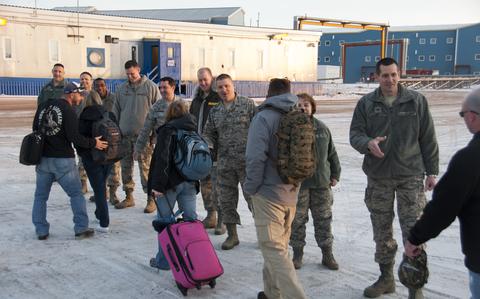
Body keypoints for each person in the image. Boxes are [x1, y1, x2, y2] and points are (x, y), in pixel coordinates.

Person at [349, 57, 439, 298]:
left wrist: (432, 172)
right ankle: (386, 278)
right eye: (384, 75)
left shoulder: (416, 101)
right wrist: (367, 144)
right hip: (379, 177)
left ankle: (415, 286)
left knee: (414, 231)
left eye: (393, 74)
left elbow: (428, 138)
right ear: (376, 77)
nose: (389, 80)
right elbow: (355, 134)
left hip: (410, 175)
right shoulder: (366, 103)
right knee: (382, 230)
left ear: (400, 75)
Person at [405, 88, 480, 299]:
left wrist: (415, 238)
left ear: (472, 116)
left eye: (463, 115)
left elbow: (443, 208)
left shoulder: (470, 159)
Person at [244, 78, 306, 299]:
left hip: (268, 195)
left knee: (275, 251)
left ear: (269, 93)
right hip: (291, 193)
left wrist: (251, 189)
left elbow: (254, 158)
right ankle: (272, 294)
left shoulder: (263, 118)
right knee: (277, 247)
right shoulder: (298, 115)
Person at [32, 82, 108, 240]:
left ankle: (41, 230)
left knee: (40, 197)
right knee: (76, 194)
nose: (81, 97)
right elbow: (75, 138)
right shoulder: (68, 110)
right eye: (79, 94)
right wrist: (94, 143)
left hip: (43, 159)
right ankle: (81, 228)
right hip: (63, 160)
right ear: (71, 94)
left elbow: (35, 130)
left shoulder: (43, 107)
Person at [203, 73, 256, 250]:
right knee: (226, 201)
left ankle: (264, 235)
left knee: (254, 200)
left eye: (227, 86)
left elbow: (260, 129)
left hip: (247, 163)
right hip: (224, 163)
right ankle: (232, 236)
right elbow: (208, 133)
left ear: (233, 86)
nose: (224, 90)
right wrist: (208, 147)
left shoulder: (248, 105)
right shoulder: (215, 111)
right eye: (220, 87)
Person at [289, 93, 341, 270]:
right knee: (297, 221)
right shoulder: (289, 130)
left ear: (312, 108)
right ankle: (297, 254)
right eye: (299, 105)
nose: (303, 108)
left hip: (321, 184)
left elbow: (332, 153)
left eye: (306, 105)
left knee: (324, 220)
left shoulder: (322, 129)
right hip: (299, 186)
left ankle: (327, 254)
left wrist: (335, 174)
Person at [147, 100, 199, 270]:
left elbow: (162, 159)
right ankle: (193, 257)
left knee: (165, 222)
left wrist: (157, 186)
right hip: (190, 182)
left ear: (169, 114)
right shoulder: (193, 129)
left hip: (169, 184)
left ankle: (164, 262)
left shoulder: (167, 130)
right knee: (191, 221)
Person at [113, 60, 160, 210]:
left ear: (138, 70)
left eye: (132, 73)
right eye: (127, 74)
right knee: (126, 168)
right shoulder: (121, 89)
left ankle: (150, 199)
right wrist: (115, 132)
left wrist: (155, 134)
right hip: (124, 136)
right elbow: (115, 111)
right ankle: (129, 196)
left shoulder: (151, 87)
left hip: (144, 138)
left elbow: (159, 111)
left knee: (146, 169)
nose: (130, 76)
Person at [134, 76, 181, 213]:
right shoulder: (156, 107)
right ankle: (154, 202)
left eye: (165, 87)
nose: (162, 90)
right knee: (159, 177)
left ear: (173, 87)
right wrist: (138, 147)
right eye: (160, 87)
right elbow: (146, 128)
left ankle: (182, 207)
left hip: (180, 149)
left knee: (179, 180)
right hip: (162, 150)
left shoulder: (182, 104)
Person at [189, 67, 223, 234]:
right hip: (200, 149)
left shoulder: (218, 97)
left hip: (217, 149)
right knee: (205, 184)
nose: (203, 83)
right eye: (200, 80)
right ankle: (211, 215)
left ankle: (222, 220)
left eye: (205, 79)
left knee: (219, 186)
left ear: (212, 79)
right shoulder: (196, 100)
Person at [77, 99, 116, 233]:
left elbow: (79, 139)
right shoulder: (108, 114)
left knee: (98, 189)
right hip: (109, 157)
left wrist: (83, 154)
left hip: (91, 159)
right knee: (101, 186)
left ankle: (104, 223)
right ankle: (100, 213)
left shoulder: (84, 118)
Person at [93, 78, 121, 205]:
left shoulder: (114, 99)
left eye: (102, 85)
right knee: (98, 167)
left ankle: (113, 193)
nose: (99, 88)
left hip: (112, 138)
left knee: (113, 166)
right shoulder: (92, 99)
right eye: (97, 86)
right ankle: (101, 192)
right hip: (98, 138)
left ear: (106, 86)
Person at [76, 71, 102, 194]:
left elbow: (100, 111)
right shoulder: (76, 94)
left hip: (92, 133)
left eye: (86, 79)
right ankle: (83, 183)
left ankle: (100, 186)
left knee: (95, 160)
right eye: (82, 79)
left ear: (91, 81)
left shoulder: (93, 94)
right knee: (81, 160)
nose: (84, 81)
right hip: (80, 133)